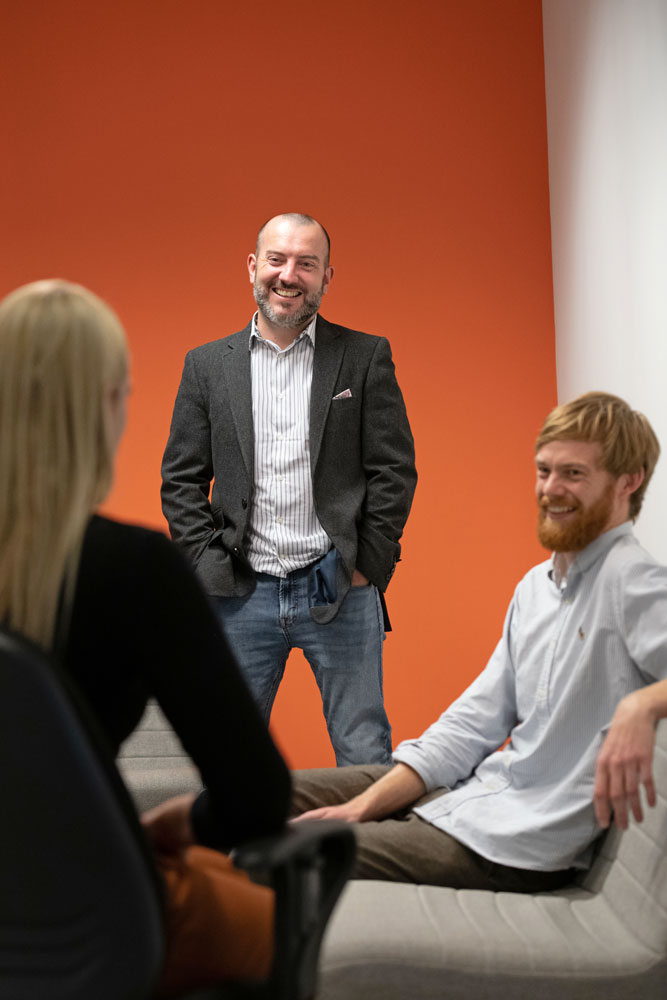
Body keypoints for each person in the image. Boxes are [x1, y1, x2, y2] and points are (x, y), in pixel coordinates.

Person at [0, 279, 291, 996]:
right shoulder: (135, 571)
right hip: (89, 918)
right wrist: (185, 820)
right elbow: (256, 797)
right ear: (103, 404)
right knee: (306, 933)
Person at [291, 391, 667, 892]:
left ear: (629, 482)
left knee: (281, 851)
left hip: (512, 843)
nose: (551, 489)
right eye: (543, 470)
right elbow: (474, 723)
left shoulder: (633, 580)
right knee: (255, 801)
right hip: (470, 801)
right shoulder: (536, 587)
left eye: (573, 474)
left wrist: (643, 704)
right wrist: (364, 807)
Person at [161, 212, 417, 766]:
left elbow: (394, 470)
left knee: (363, 749)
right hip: (240, 593)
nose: (289, 274)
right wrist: (208, 567)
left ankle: (371, 855)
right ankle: (229, 858)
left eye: (307, 263)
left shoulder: (364, 356)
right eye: (277, 259)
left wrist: (365, 565)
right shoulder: (206, 366)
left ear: (327, 276)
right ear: (254, 267)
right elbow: (181, 478)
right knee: (226, 757)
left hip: (339, 588)